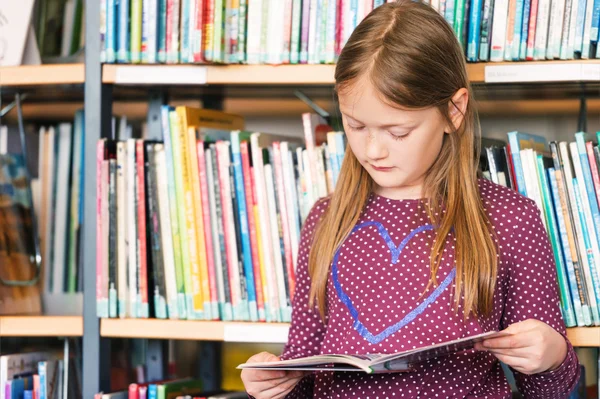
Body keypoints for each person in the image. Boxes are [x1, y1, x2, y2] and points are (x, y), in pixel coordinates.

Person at [241, 1, 581, 397]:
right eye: (355, 125)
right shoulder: (326, 219)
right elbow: (303, 375)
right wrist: (271, 383)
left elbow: (549, 391)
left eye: (397, 132)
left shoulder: (510, 219)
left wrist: (553, 355)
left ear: (454, 111)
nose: (373, 150)